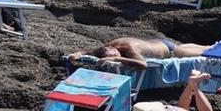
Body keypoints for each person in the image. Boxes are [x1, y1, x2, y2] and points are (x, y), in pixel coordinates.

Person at [71, 37, 213, 69]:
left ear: (115, 50)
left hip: (169, 51)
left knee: (205, 52)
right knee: (203, 46)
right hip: (159, 43)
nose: (115, 58)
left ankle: (217, 49)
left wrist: (118, 60)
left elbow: (143, 64)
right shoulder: (109, 46)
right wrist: (79, 53)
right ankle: (209, 44)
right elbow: (92, 51)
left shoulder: (128, 50)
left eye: (114, 55)